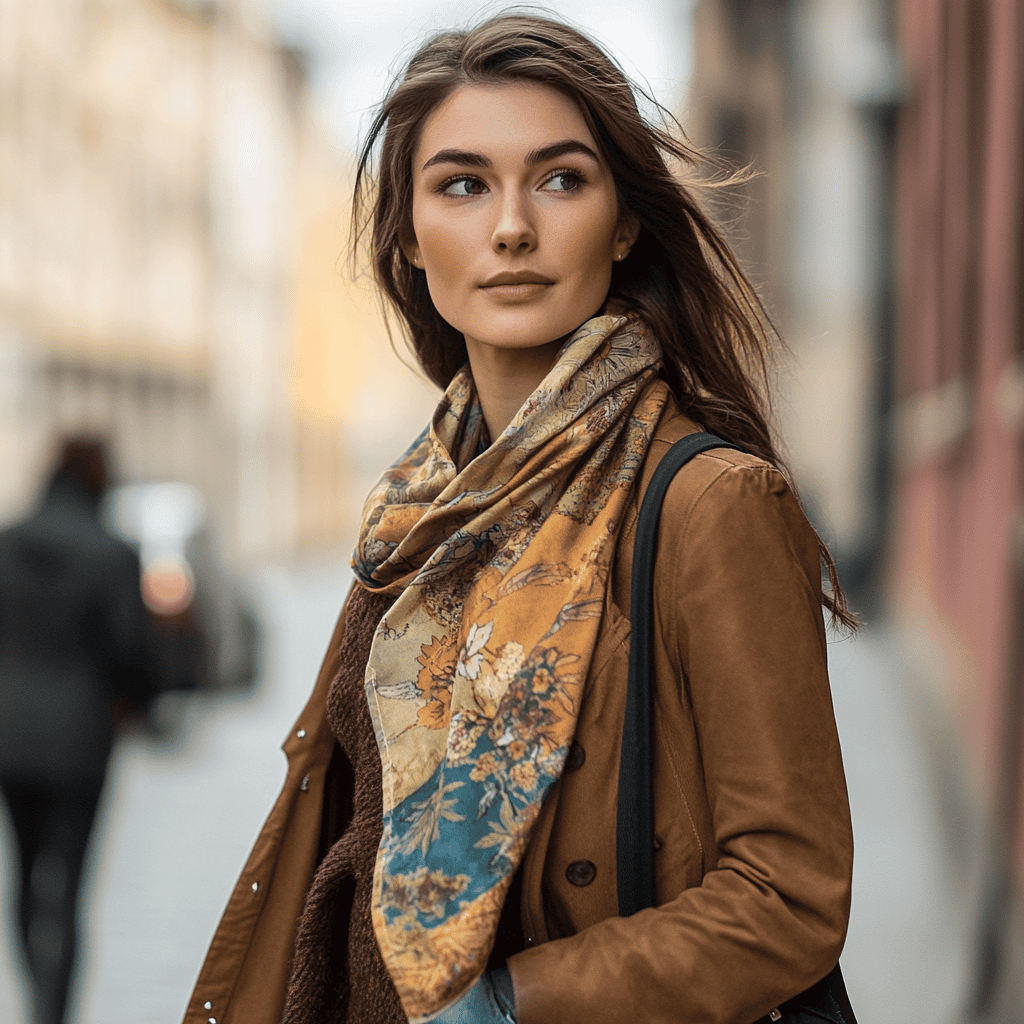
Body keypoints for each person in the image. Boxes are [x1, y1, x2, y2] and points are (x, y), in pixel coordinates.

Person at [184, 12, 856, 1024]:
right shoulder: (412, 521)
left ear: (623, 222)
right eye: (461, 184)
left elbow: (789, 897)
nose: (510, 228)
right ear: (407, 236)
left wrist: (506, 1005)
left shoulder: (711, 506)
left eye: (559, 179)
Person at [0, 435, 157, 1024]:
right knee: (68, 884)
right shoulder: (111, 553)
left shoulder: (6, 542)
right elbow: (131, 651)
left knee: (23, 871)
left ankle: (35, 991)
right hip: (80, 742)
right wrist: (145, 705)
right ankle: (52, 1010)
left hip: (9, 738)